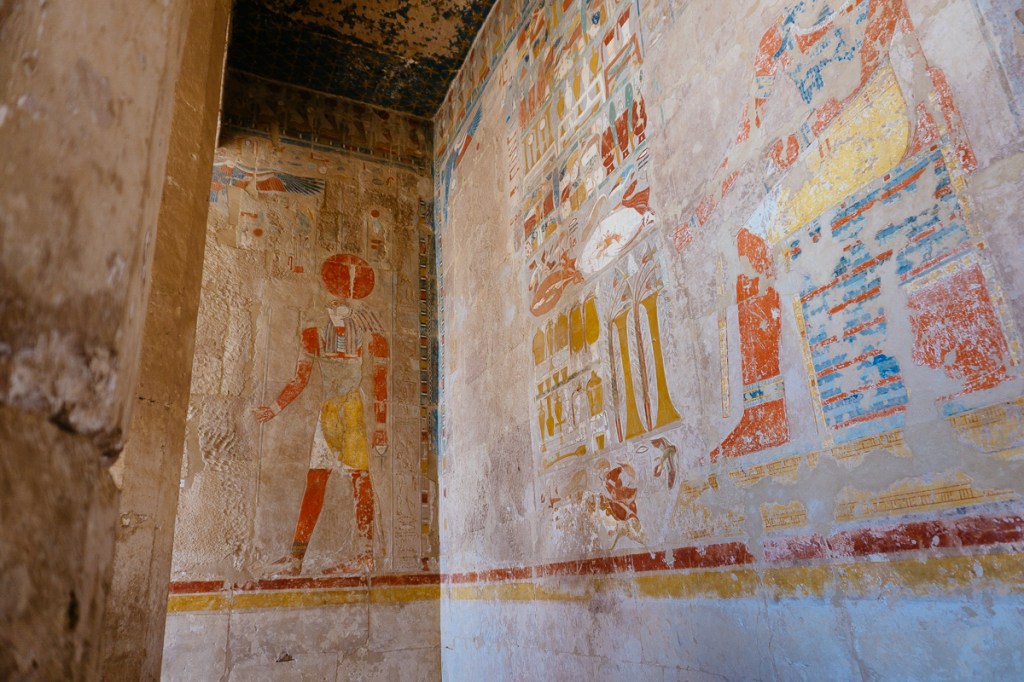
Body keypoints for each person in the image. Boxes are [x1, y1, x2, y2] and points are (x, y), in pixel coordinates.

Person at [255, 253, 389, 576]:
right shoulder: (314, 331)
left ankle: (364, 556)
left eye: (347, 293)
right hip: (329, 412)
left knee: (360, 479)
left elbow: (381, 377)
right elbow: (299, 379)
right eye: (336, 293)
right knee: (316, 479)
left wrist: (382, 426)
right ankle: (296, 559)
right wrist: (274, 408)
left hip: (352, 410)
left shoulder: (367, 328)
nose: (341, 300)